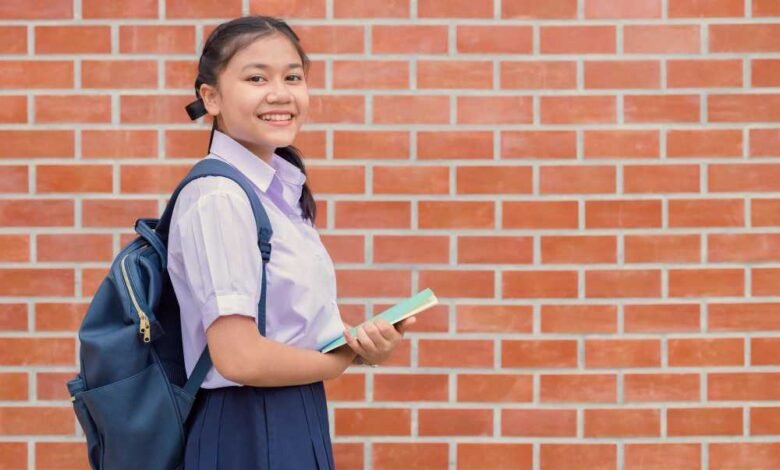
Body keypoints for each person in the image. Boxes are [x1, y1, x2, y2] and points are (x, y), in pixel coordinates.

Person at [169, 15, 416, 469]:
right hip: (244, 428)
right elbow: (238, 357)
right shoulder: (218, 196)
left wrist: (362, 347)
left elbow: (286, 334)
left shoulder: (277, 192)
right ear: (211, 97)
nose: (280, 93)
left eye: (293, 77)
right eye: (256, 77)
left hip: (292, 414)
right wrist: (342, 358)